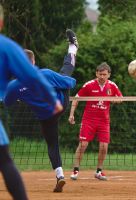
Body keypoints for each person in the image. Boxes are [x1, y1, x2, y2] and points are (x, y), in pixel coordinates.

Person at [3, 29, 79, 192]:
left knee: (52, 144)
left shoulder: (13, 86)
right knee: (65, 71)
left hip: (44, 116)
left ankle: (60, 175)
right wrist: (69, 82)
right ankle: (73, 47)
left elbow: (8, 102)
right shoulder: (44, 74)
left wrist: (19, 95)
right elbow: (70, 83)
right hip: (60, 105)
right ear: (33, 61)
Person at [0, 4, 62, 200]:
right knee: (5, 162)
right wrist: (53, 100)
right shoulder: (6, 47)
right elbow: (32, 77)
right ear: (1, 23)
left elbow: (10, 99)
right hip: (46, 111)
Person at [68, 62, 122, 181]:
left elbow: (120, 98)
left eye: (104, 74)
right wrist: (71, 114)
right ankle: (75, 170)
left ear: (109, 75)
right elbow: (76, 99)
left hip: (104, 121)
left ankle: (99, 171)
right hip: (89, 120)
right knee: (83, 145)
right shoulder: (89, 85)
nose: (102, 76)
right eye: (100, 74)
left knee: (104, 147)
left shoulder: (112, 85)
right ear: (96, 73)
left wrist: (116, 100)